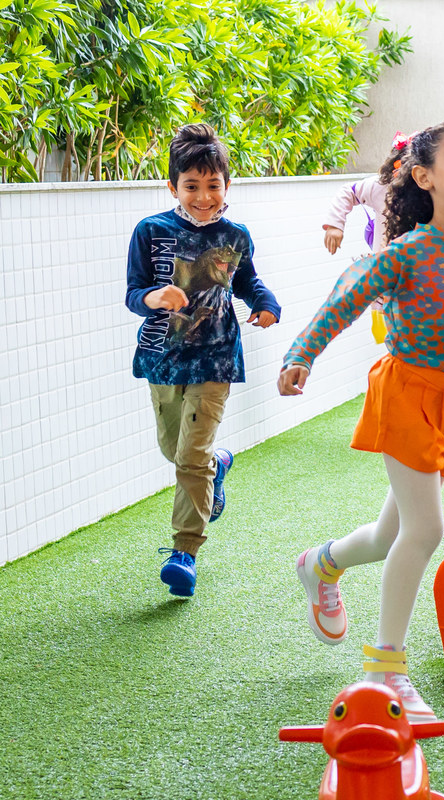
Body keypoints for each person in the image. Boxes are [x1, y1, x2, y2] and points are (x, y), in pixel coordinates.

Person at [277, 118, 444, 723]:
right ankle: (385, 669)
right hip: (405, 393)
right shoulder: (402, 254)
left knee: (387, 537)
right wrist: (301, 353)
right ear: (423, 177)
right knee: (424, 531)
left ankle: (320, 563)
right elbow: (342, 301)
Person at [125, 123, 281, 598]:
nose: (203, 196)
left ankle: (185, 551)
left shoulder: (236, 235)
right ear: (173, 186)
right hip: (162, 358)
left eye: (213, 185)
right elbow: (133, 293)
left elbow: (247, 282)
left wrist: (266, 303)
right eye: (191, 186)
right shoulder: (150, 232)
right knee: (176, 452)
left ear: (227, 186)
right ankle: (219, 465)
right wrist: (154, 297)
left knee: (189, 460)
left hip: (215, 360)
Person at [323, 130, 412, 344]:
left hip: (419, 279)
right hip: (386, 278)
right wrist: (335, 224)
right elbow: (349, 191)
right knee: (391, 339)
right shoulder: (380, 188)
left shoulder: (433, 194)